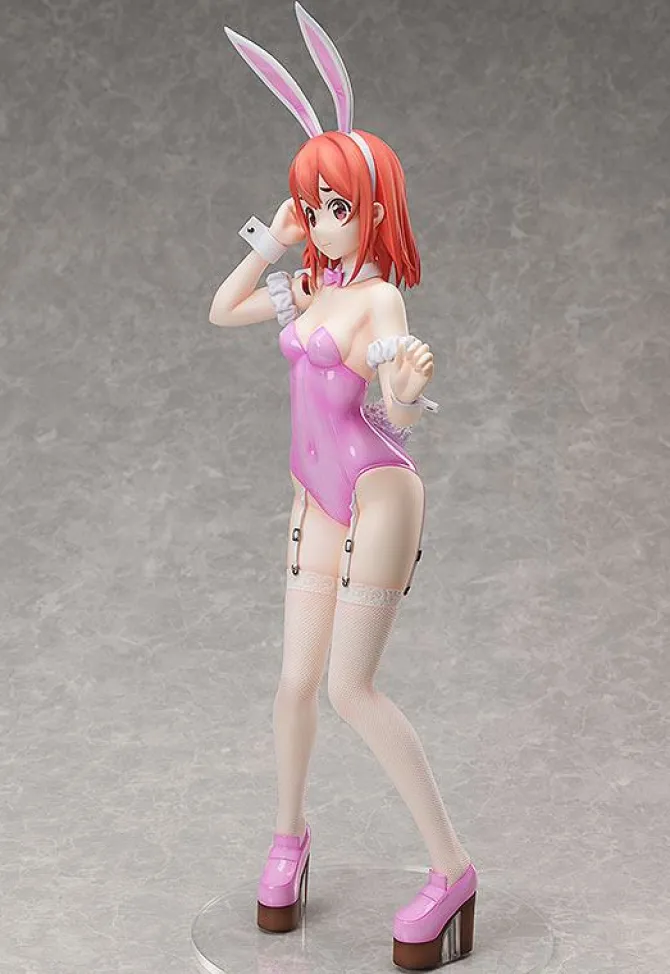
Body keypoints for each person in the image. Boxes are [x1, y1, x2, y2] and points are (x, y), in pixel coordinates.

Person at [209, 5, 478, 969]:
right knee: (294, 684)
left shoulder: (376, 298)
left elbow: (395, 399)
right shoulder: (313, 285)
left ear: (375, 207)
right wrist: (273, 243)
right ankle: (289, 838)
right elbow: (223, 309)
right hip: (312, 497)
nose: (321, 220)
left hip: (377, 493)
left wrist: (405, 392)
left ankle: (452, 870)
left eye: (335, 205)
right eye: (312, 204)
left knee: (351, 689)